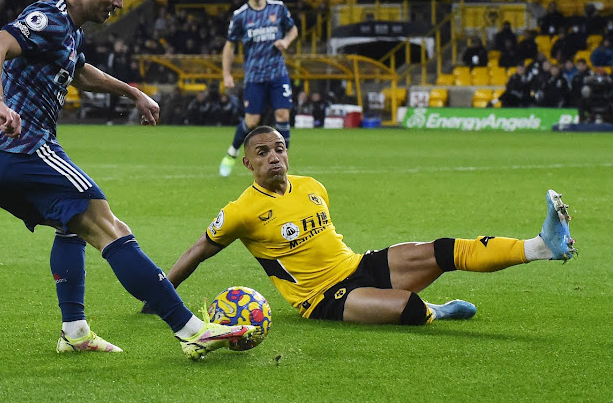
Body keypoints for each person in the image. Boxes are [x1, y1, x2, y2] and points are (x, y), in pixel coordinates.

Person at [0, 0, 253, 360]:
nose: (120, 2)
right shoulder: (46, 17)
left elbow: (80, 73)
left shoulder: (68, 30)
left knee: (73, 227)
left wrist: (132, 91)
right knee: (109, 225)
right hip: (21, 149)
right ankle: (191, 330)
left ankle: (75, 331)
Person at [145, 126, 577, 326]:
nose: (274, 156)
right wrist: (160, 294)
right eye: (262, 152)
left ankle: (541, 245)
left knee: (445, 250)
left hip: (359, 266)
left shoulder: (312, 185)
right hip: (323, 298)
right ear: (248, 163)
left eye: (279, 148)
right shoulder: (241, 211)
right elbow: (200, 249)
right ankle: (437, 311)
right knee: (408, 309)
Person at [218, 0, 298, 177]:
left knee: (283, 115)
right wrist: (227, 74)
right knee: (252, 121)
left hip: (277, 73)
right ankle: (231, 153)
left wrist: (286, 42)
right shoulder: (240, 16)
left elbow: (293, 29)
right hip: (254, 76)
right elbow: (230, 46)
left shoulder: (278, 9)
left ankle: (281, 163)